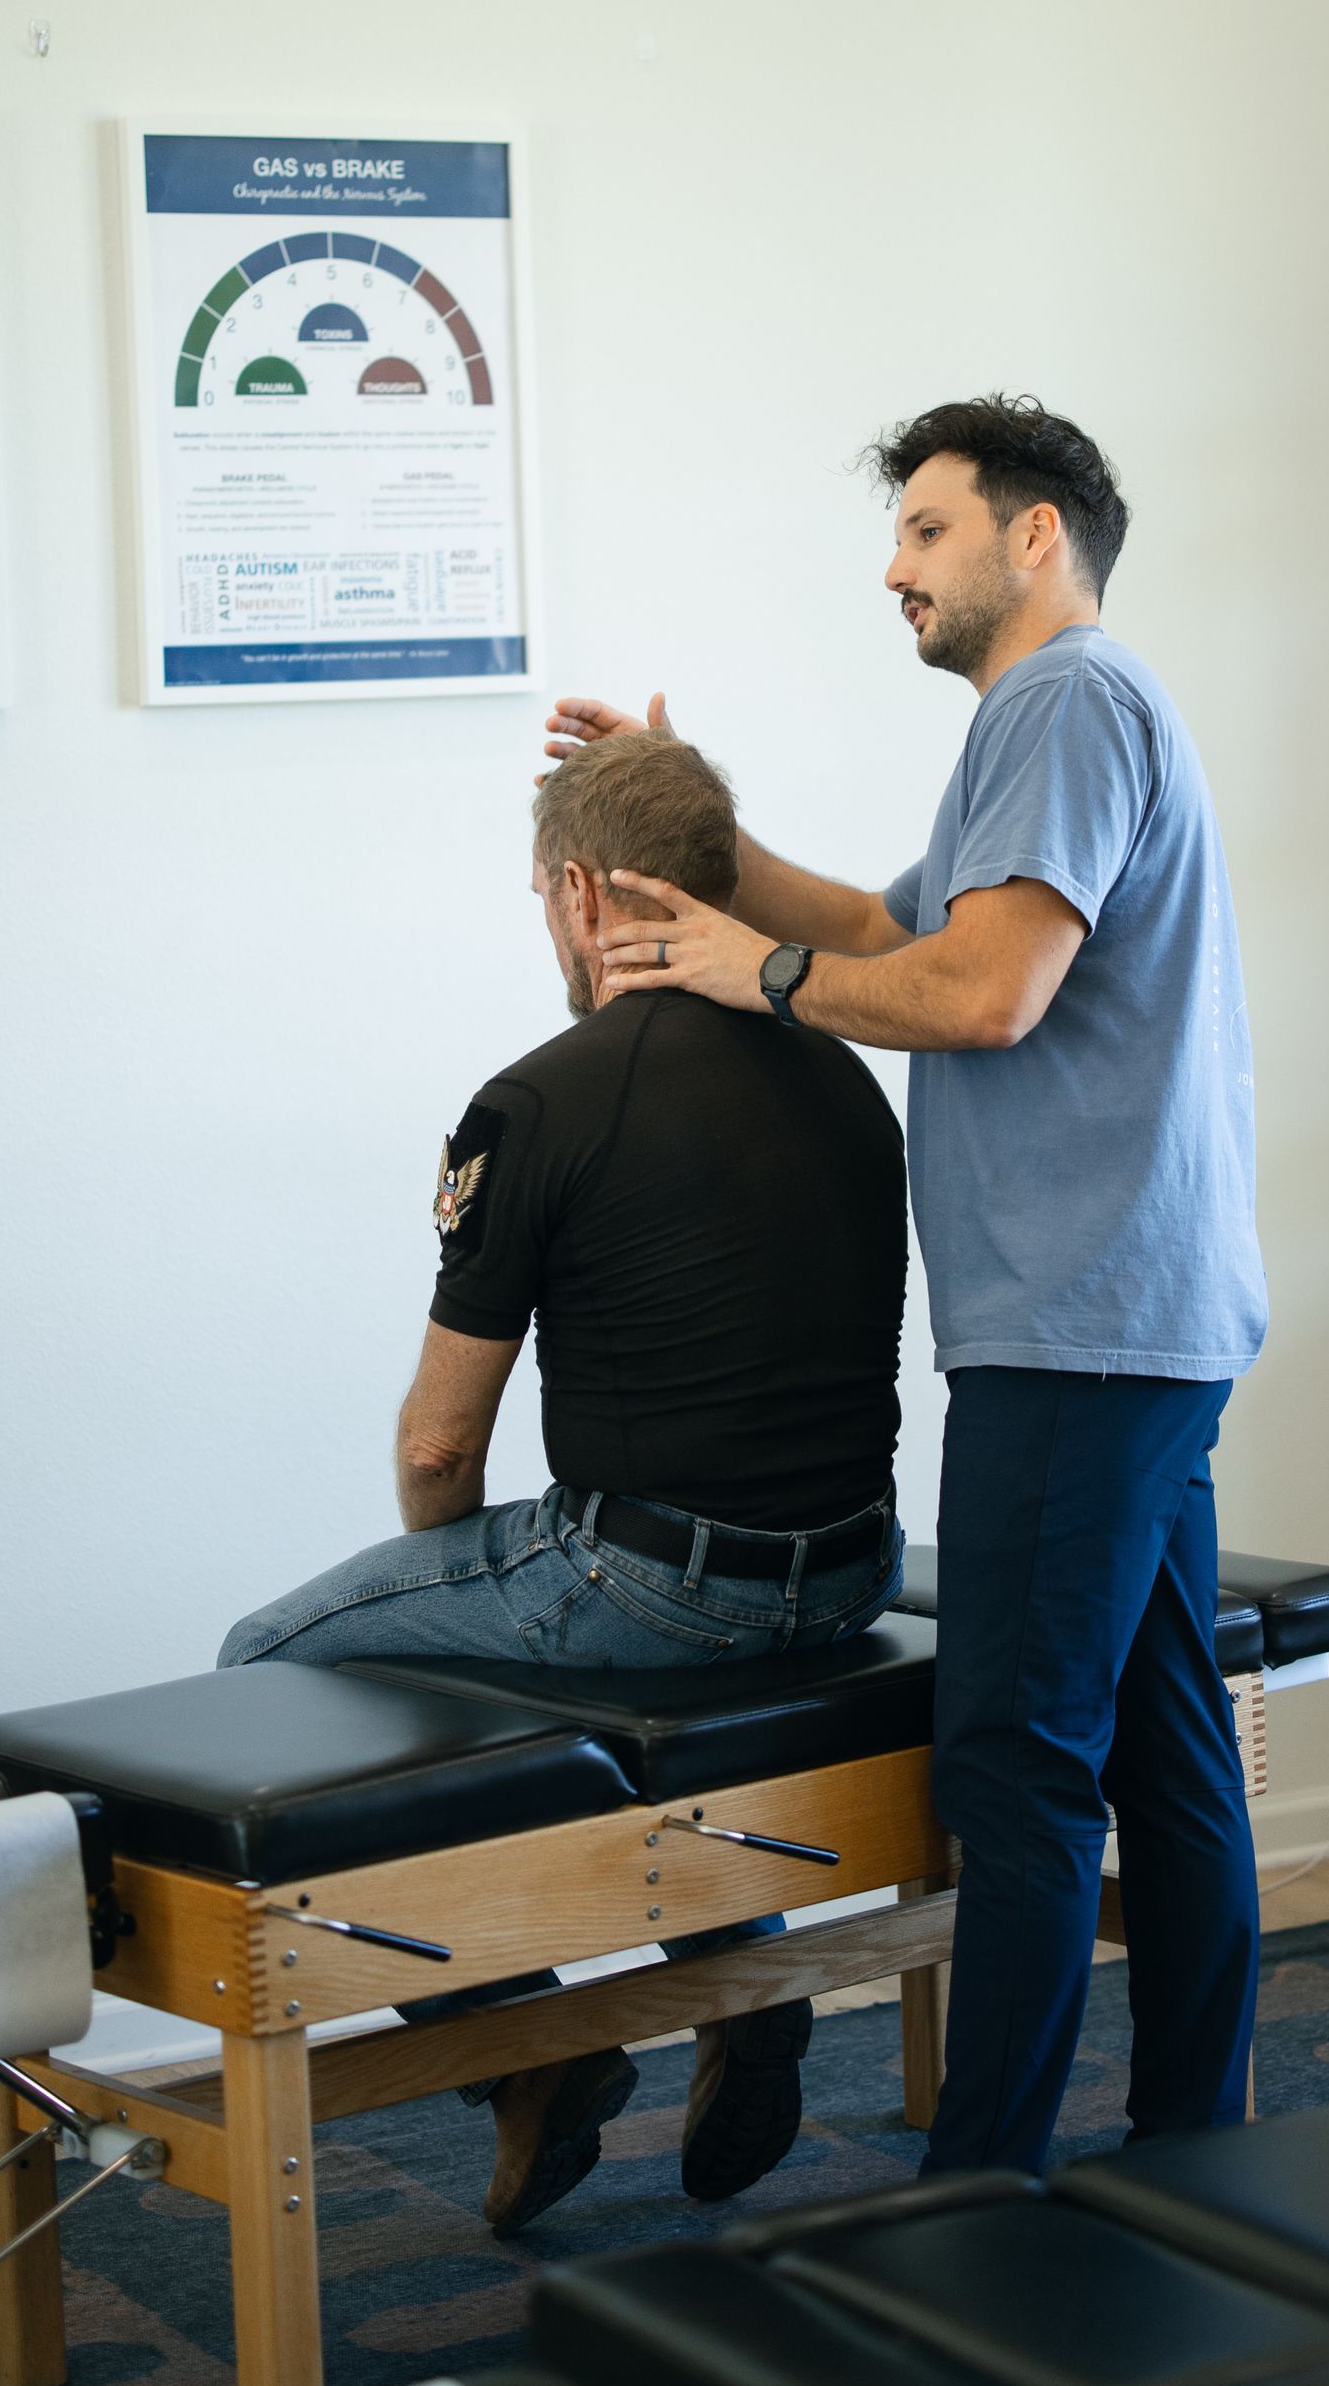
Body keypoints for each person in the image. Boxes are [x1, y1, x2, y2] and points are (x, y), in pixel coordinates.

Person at [546, 393, 1267, 2176]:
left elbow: (986, 994)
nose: (896, 568)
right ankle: (1201, 2147)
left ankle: (982, 2193)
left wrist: (758, 973)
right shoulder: (1058, 720)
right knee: (1170, 1754)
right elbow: (895, 934)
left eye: (927, 530)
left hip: (1080, 1329)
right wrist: (699, 832)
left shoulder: (1065, 700)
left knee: (1015, 1767)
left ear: (1036, 535)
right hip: (1135, 1318)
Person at [219, 729, 909, 2228]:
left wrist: (463, 1601)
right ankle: (741, 1977)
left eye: (544, 896)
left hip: (653, 1586)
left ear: (585, 894)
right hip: (857, 1568)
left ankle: (531, 2054)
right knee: (548, 1644)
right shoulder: (848, 1070)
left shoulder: (536, 1101)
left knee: (264, 1661)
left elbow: (438, 1449)